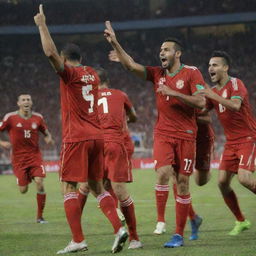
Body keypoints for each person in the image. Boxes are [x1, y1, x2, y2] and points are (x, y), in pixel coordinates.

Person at [34, 5, 127, 254]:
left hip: (76, 137)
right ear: (82, 59)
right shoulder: (92, 75)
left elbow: (50, 53)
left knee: (68, 187)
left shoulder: (70, 74)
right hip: (98, 136)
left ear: (65, 60)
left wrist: (42, 24)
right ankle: (119, 228)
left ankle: (78, 240)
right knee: (97, 186)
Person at [104, 21, 206, 248]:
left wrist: (173, 92)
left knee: (182, 183)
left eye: (166, 49)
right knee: (162, 172)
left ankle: (178, 234)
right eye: (160, 50)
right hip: (163, 133)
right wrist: (115, 42)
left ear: (177, 53)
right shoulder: (156, 73)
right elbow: (130, 65)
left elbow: (201, 101)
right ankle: (161, 221)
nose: (162, 52)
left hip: (187, 134)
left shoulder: (192, 73)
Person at [199, 50, 256, 235]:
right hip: (231, 143)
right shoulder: (213, 92)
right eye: (209, 65)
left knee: (244, 178)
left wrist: (211, 94)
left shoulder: (235, 83)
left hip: (249, 137)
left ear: (225, 67)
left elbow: (235, 105)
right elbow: (202, 111)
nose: (210, 68)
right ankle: (241, 221)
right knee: (222, 182)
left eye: (215, 65)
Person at [0, 94, 54, 223]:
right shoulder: (10, 117)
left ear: (31, 102)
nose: (26, 101)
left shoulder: (38, 118)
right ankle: (24, 178)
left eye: (28, 99)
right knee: (23, 190)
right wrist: (2, 143)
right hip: (19, 160)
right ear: (18, 103)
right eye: (23, 100)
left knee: (40, 182)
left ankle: (40, 217)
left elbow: (46, 133)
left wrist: (49, 139)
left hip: (35, 157)